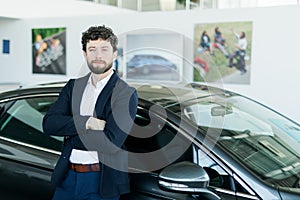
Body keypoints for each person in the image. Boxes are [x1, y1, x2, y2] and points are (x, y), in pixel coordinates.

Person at [43, 25, 138, 200]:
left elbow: (111, 142)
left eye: (104, 49)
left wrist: (69, 133)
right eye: (92, 49)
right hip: (67, 177)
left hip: (101, 181)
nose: (98, 55)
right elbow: (49, 124)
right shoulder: (73, 86)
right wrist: (87, 122)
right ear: (85, 54)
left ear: (115, 53)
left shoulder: (125, 93)